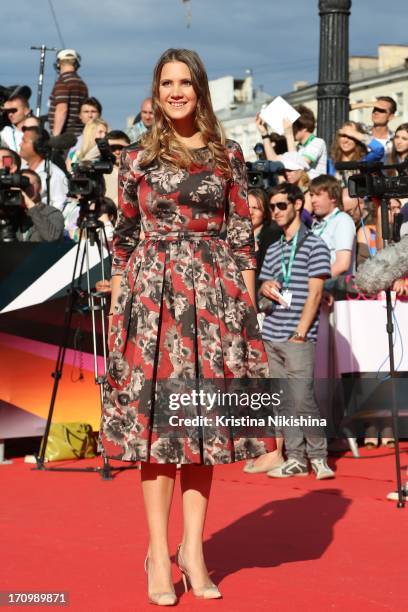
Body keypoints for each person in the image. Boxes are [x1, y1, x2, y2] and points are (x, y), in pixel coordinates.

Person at [98, 48, 274, 605]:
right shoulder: (134, 160)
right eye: (167, 82)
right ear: (157, 89)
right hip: (152, 304)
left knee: (202, 435)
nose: (176, 91)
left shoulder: (227, 156)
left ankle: (193, 551)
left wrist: (243, 315)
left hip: (214, 301)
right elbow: (124, 242)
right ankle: (157, 552)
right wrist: (120, 321)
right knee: (158, 436)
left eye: (185, 83)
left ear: (200, 89)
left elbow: (244, 239)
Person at [252, 183, 334, 479]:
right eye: (272, 206)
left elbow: (315, 295)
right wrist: (263, 286)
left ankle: (319, 457)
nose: (275, 211)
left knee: (303, 398)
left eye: (281, 205)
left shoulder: (315, 245)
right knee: (283, 400)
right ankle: (296, 458)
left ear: (298, 205)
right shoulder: (274, 248)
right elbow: (264, 291)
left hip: (297, 335)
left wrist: (300, 332)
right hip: (272, 331)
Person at [310, 175, 356, 277]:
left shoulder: (342, 220)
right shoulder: (317, 224)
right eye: (311, 195)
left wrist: (314, 284)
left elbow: (342, 264)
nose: (313, 200)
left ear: (333, 197)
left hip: (333, 290)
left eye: (318, 195)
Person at [19, 126, 68, 210]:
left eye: (24, 141)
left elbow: (59, 206)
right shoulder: (21, 168)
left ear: (38, 145)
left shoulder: (55, 174)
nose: (20, 144)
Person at [328, 121, 384, 187]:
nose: (346, 140)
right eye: (343, 136)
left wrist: (355, 134)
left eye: (351, 137)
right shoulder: (330, 163)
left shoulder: (364, 161)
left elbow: (379, 149)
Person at [48, 49, 88, 137]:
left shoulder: (63, 82)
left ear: (59, 64)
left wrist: (55, 136)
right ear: (76, 64)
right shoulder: (81, 83)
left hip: (65, 136)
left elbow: (62, 109)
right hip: (79, 134)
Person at [16, 169, 65, 241]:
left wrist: (30, 205)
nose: (26, 188)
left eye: (30, 185)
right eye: (22, 185)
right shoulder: (13, 213)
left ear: (40, 187)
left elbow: (53, 238)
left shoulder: (52, 213)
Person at [104, 130, 131, 205]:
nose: (117, 152)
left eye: (121, 147)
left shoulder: (134, 170)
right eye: (112, 148)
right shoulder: (102, 171)